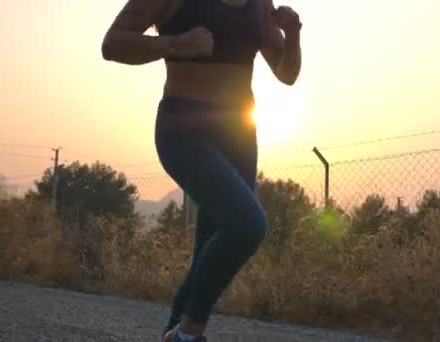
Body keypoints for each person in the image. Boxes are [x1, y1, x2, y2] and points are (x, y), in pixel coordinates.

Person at [101, 0, 302, 341]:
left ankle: (176, 332)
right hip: (183, 128)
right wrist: (177, 43)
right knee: (247, 225)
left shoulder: (258, 3)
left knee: (208, 250)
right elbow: (113, 43)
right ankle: (190, 331)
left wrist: (293, 34)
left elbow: (286, 73)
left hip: (239, 135)